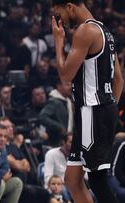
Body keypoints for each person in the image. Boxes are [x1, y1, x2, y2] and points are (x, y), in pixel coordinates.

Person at [51, 1, 124, 203]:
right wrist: (109, 110)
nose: (60, 21)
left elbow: (65, 76)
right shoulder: (104, 31)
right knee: (72, 180)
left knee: (97, 179)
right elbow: (119, 79)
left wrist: (58, 43)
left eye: (59, 14)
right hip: (98, 111)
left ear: (70, 6)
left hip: (93, 110)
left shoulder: (85, 31)